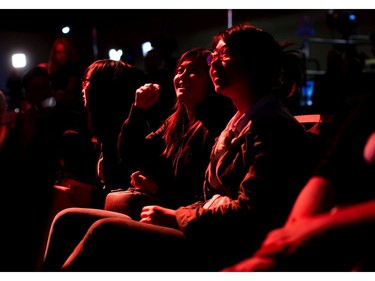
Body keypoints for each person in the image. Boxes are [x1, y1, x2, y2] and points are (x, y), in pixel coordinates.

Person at [42, 24, 320, 272]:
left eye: (224, 56)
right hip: (205, 224)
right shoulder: (237, 122)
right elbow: (136, 156)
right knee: (68, 219)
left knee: (105, 231)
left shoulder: (270, 126)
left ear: (254, 64)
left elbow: (251, 213)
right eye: (212, 57)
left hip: (229, 243)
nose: (214, 64)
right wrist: (138, 112)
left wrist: (177, 214)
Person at [221, 93, 375, 272]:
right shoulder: (366, 105)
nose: (214, 64)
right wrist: (275, 254)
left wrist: (318, 227)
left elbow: (248, 209)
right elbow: (327, 175)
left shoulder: (273, 123)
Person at [106, 48, 234, 219]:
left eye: (194, 71)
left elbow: (202, 196)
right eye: (180, 70)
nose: (182, 76)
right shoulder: (175, 122)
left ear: (211, 80)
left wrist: (156, 189)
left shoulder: (217, 126)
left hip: (184, 217)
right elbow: (131, 155)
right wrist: (138, 110)